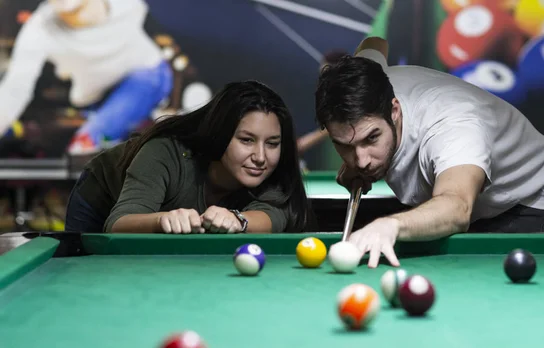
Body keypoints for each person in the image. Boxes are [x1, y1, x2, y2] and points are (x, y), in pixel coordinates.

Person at [315, 37, 544, 268]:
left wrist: (390, 224)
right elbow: (375, 43)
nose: (361, 160)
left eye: (371, 138)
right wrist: (354, 162)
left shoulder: (452, 126)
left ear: (394, 111)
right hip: (477, 201)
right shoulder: (367, 78)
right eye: (345, 146)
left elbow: (457, 206)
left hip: (530, 196)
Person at [65, 80, 312, 234]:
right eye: (246, 140)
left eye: (272, 143)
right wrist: (163, 219)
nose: (260, 157)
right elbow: (119, 224)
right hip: (101, 199)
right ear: (221, 134)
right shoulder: (166, 152)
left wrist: (239, 220)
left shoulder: (276, 173)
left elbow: (270, 218)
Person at [0, 0, 172, 155]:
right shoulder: (40, 28)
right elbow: (14, 89)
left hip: (148, 77)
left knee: (84, 145)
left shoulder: (126, 5)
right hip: (98, 96)